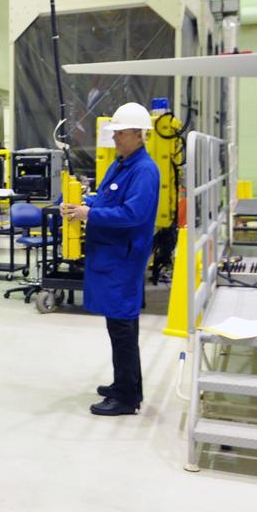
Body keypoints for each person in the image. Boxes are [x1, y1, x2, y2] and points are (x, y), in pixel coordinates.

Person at [60, 102, 161, 417]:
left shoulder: (144, 170)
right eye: (115, 133)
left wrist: (89, 213)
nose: (115, 138)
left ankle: (127, 398)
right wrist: (83, 203)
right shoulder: (122, 164)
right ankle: (125, 385)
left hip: (124, 259)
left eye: (120, 133)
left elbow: (133, 214)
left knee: (122, 327)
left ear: (138, 134)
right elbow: (107, 197)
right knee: (119, 326)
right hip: (112, 257)